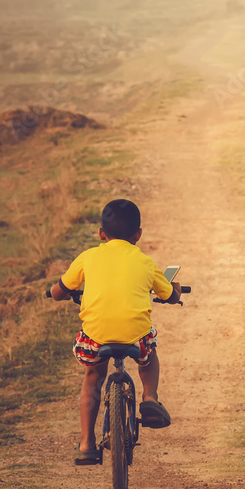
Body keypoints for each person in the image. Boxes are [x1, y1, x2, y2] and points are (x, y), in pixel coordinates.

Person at [50, 199, 182, 465]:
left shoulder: (87, 257)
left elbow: (58, 291)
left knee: (93, 374)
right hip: (135, 335)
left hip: (95, 336)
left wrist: (60, 293)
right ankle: (150, 397)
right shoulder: (145, 262)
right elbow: (168, 294)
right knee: (148, 352)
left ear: (101, 233)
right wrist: (175, 290)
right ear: (138, 234)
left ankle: (87, 443)